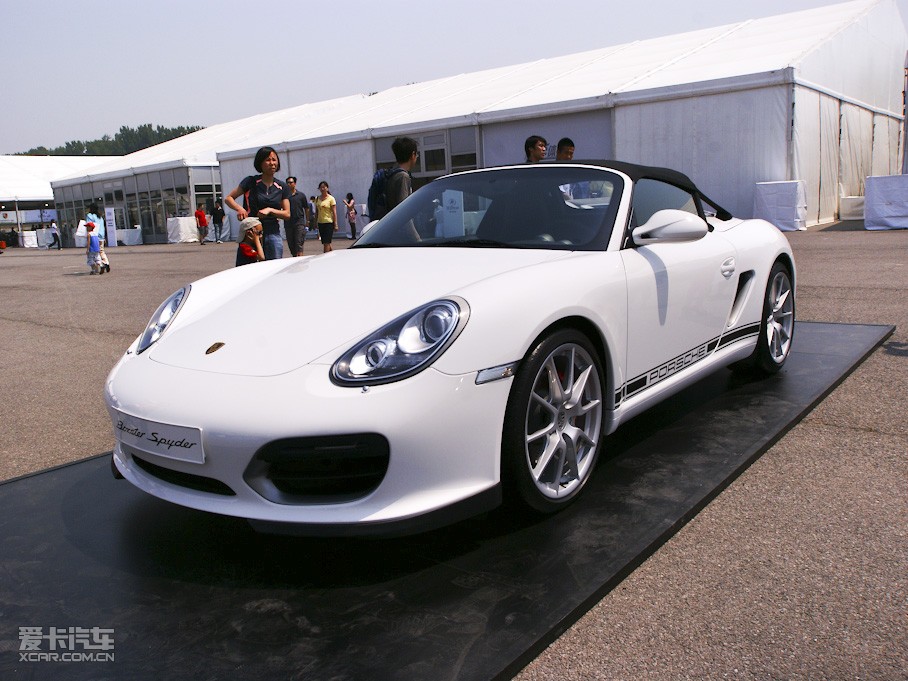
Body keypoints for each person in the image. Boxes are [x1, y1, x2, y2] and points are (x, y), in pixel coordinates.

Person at [224, 146, 291, 260]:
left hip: (272, 233)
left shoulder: (282, 187)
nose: (272, 163)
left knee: (274, 266)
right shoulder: (251, 182)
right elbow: (229, 198)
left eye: (274, 160)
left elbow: (287, 214)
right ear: (260, 162)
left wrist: (270, 210)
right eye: (268, 160)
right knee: (249, 266)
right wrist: (239, 209)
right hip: (251, 233)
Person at [385, 136, 420, 213]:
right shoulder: (403, 177)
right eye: (417, 154)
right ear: (413, 155)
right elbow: (404, 209)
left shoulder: (392, 173)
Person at [285, 176, 307, 256]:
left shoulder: (301, 195)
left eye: (291, 182)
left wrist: (307, 221)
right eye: (287, 183)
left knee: (299, 243)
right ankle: (295, 260)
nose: (289, 184)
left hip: (299, 222)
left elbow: (306, 208)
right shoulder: (284, 196)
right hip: (288, 223)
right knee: (291, 245)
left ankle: (300, 259)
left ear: (295, 183)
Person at [86, 203, 110, 273]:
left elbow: (89, 225)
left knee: (92, 253)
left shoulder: (90, 216)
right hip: (101, 236)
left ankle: (95, 268)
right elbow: (102, 227)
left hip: (93, 236)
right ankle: (106, 262)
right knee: (101, 251)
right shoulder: (100, 217)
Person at [315, 181, 338, 253]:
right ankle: (332, 254)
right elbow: (317, 211)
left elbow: (334, 212)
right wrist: (315, 222)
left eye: (324, 187)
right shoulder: (317, 198)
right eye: (321, 187)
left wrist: (335, 224)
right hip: (320, 222)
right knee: (325, 241)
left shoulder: (331, 199)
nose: (322, 189)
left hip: (328, 222)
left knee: (326, 242)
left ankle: (325, 256)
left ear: (327, 188)